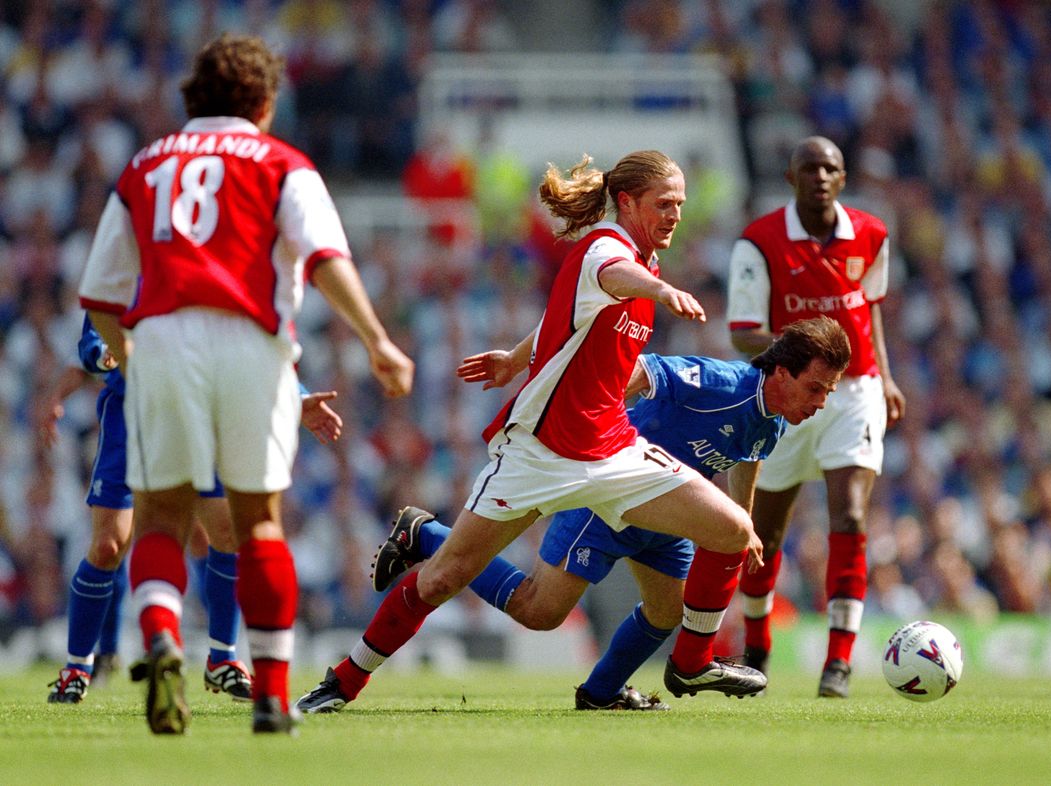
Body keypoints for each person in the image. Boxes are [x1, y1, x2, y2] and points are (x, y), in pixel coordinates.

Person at [293, 149, 767, 712]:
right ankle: (343, 681)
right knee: (445, 579)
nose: (676, 215)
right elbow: (614, 277)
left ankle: (688, 667)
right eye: (665, 204)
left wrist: (517, 359)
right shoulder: (608, 250)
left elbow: (567, 316)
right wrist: (659, 292)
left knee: (735, 529)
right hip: (539, 451)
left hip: (614, 450)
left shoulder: (637, 259)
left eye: (681, 205)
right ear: (627, 202)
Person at [76, 33, 413, 735]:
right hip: (252, 343)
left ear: (192, 98)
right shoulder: (283, 162)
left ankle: (163, 636)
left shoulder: (145, 166)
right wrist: (376, 339)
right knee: (257, 524)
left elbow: (101, 296)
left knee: (162, 519)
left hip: (162, 337)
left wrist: (133, 360)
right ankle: (269, 694)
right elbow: (323, 258)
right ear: (264, 101)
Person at [296, 317, 850, 713]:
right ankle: (428, 534)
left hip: (673, 514)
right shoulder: (724, 383)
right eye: (815, 387)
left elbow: (742, 464)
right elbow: (646, 369)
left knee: (665, 611)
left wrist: (743, 526)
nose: (820, 401)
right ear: (779, 371)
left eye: (827, 392)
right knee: (540, 612)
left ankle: (602, 692)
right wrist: (596, 409)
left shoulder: (775, 419)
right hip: (614, 495)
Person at [41, 316, 344, 705]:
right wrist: (102, 355)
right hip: (134, 414)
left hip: (202, 411)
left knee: (226, 532)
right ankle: (77, 666)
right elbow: (92, 335)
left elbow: (257, 341)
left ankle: (222, 656)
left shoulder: (220, 264)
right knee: (109, 545)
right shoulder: (131, 256)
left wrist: (297, 395)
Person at [726, 135, 906, 698]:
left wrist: (889, 375)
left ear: (843, 177)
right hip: (784, 398)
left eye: (829, 168)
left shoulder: (872, 234)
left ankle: (839, 662)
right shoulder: (759, 241)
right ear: (791, 176)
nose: (820, 176)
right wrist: (798, 347)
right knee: (762, 534)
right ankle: (757, 646)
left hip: (855, 392)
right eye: (809, 167)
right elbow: (741, 334)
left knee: (850, 516)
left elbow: (868, 307)